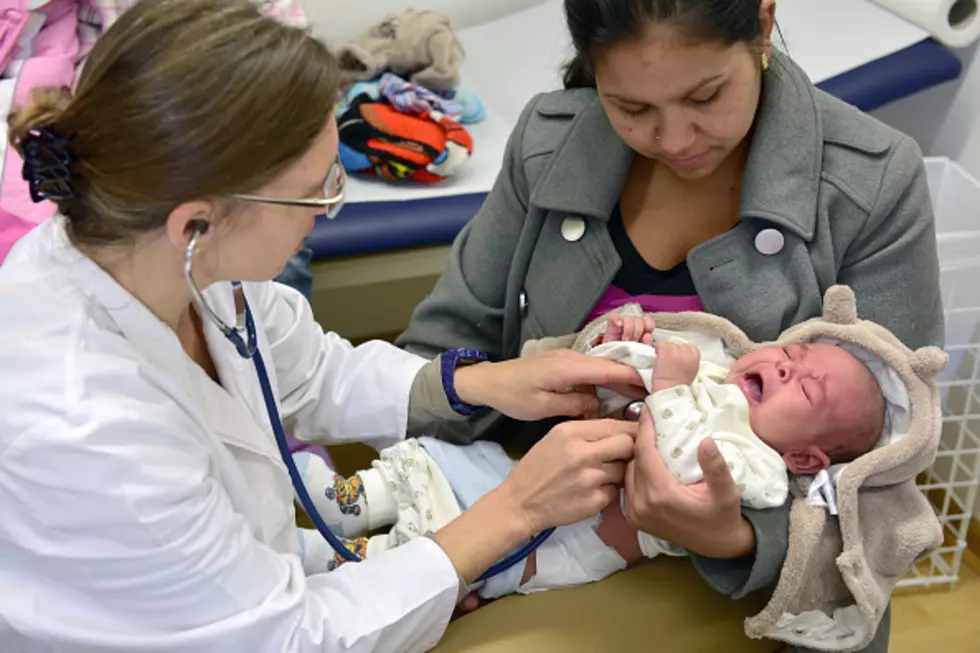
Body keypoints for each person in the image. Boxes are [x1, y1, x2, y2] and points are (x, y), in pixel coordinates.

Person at [0, 1, 649, 651]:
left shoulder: (169, 263)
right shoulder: (86, 427)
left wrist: (485, 383)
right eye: (314, 190)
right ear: (195, 223)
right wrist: (516, 510)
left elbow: (312, 373)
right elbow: (292, 637)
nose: (329, 209)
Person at [396, 0, 944, 650]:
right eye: (631, 109)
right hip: (527, 507)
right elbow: (436, 351)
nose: (676, 139)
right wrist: (482, 462)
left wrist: (736, 538)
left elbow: (884, 487)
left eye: (705, 95)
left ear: (762, 26)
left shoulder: (874, 183)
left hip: (741, 584)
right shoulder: (548, 142)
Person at [296, 308, 888, 598]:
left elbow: (682, 466)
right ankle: (337, 498)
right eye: (794, 355)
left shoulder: (759, 467)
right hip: (532, 471)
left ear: (808, 459)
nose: (786, 365)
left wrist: (669, 390)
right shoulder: (712, 372)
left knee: (437, 546)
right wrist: (622, 347)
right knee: (440, 469)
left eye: (807, 388)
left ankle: (332, 559)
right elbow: (612, 389)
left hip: (569, 538)